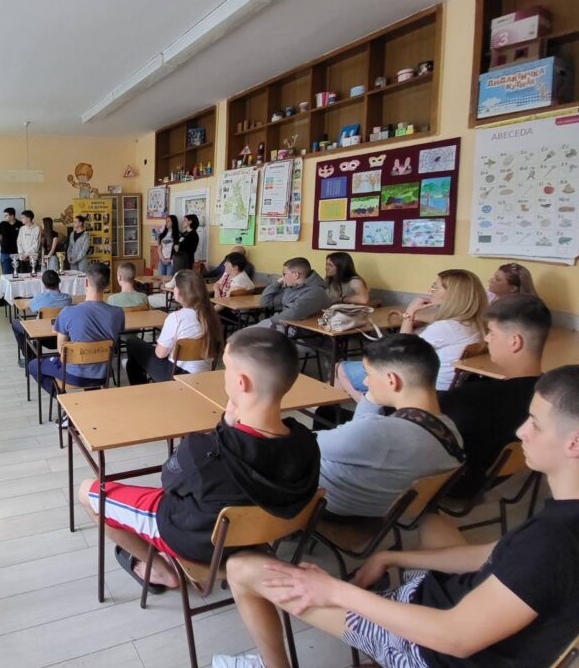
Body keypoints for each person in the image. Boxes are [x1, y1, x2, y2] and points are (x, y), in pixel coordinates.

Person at [214, 364, 579, 668]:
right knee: (432, 519)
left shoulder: (552, 543)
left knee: (240, 568)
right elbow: (493, 555)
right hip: (455, 603)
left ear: (574, 443)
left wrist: (335, 590)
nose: (521, 431)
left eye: (535, 423)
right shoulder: (558, 522)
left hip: (424, 647)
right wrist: (392, 557)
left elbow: (454, 637)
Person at [80, 329, 319, 592]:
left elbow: (168, 483)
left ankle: (161, 570)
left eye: (226, 368)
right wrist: (227, 427)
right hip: (256, 537)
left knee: (87, 492)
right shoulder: (307, 444)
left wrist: (222, 430)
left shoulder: (203, 452)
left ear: (241, 383)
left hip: (191, 538)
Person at [316, 333, 464, 518]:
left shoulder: (378, 433)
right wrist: (373, 396)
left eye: (367, 374)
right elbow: (357, 435)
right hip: (385, 509)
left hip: (324, 506)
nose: (365, 382)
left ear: (392, 380)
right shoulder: (451, 432)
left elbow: (305, 445)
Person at [437, 293, 550, 499]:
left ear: (514, 342)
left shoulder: (477, 398)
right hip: (494, 480)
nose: (486, 338)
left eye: (491, 332)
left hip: (455, 485)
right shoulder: (549, 396)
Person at [337, 269, 486, 400]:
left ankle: (370, 408)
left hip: (423, 388)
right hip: (445, 387)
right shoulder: (474, 324)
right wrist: (417, 318)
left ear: (452, 295)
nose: (430, 289)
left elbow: (400, 351)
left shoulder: (446, 327)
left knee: (339, 369)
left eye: (436, 286)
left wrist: (410, 312)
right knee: (345, 381)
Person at [27, 263, 122, 395]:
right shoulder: (118, 313)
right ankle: (90, 394)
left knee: (33, 365)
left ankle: (62, 400)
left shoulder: (67, 312)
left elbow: (61, 350)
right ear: (107, 285)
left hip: (74, 375)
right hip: (103, 375)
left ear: (86, 282)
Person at [126, 270, 222, 384]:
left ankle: (139, 387)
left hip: (176, 373)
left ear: (182, 291)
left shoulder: (176, 318)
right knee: (136, 358)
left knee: (132, 343)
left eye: (175, 286)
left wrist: (162, 346)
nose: (174, 289)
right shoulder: (212, 315)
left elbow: (160, 354)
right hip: (205, 371)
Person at [10, 269, 71, 365]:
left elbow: (23, 306)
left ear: (44, 284)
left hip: (42, 338)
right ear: (59, 281)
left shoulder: (40, 298)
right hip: (62, 337)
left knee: (15, 323)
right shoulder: (68, 298)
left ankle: (30, 358)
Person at [255, 257, 330, 327]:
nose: (282, 277)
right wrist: (277, 283)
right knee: (249, 332)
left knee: (250, 334)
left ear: (296, 275)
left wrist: (272, 320)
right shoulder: (292, 288)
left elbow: (294, 314)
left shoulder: (315, 292)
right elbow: (265, 302)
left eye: (284, 274)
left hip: (296, 330)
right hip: (282, 324)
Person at [0, 207, 23, 306]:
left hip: (17, 254)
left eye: (6, 215)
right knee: (6, 276)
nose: (4, 217)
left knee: (17, 276)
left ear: (12, 215)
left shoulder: (20, 224)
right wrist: (2, 246)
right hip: (5, 254)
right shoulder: (2, 224)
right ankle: (4, 299)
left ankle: (17, 297)